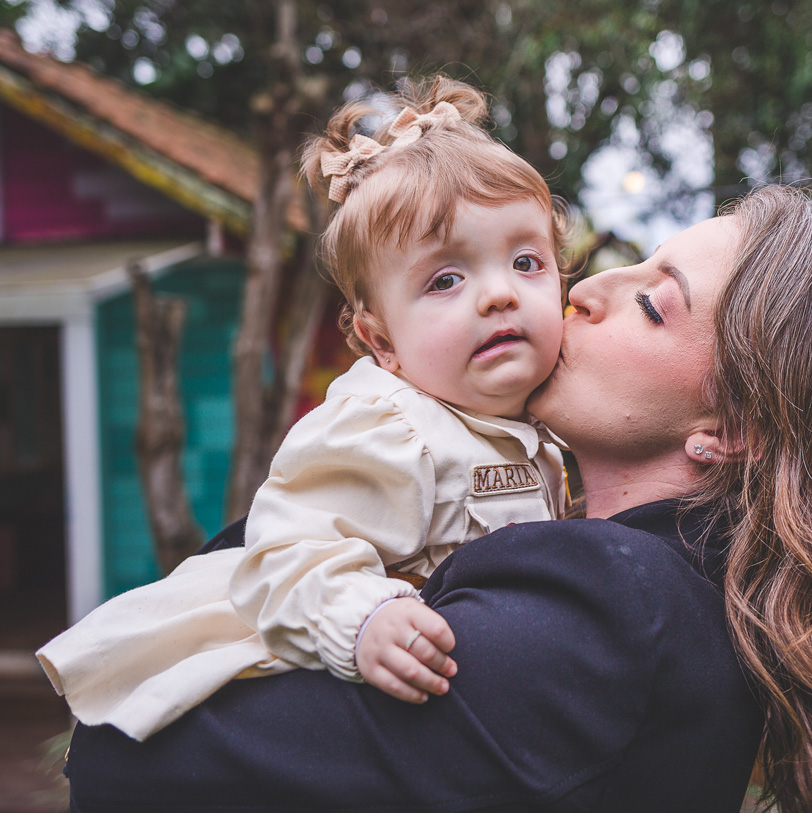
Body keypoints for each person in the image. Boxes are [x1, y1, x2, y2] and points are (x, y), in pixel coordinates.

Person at [63, 183, 812, 812]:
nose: (585, 289)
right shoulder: (681, 593)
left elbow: (119, 756)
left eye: (654, 303)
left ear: (732, 428)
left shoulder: (606, 602)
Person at [37, 76, 573, 741]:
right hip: (386, 714)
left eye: (527, 261)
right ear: (382, 342)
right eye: (445, 279)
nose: (499, 294)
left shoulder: (546, 426)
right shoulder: (390, 426)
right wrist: (366, 618)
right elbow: (286, 554)